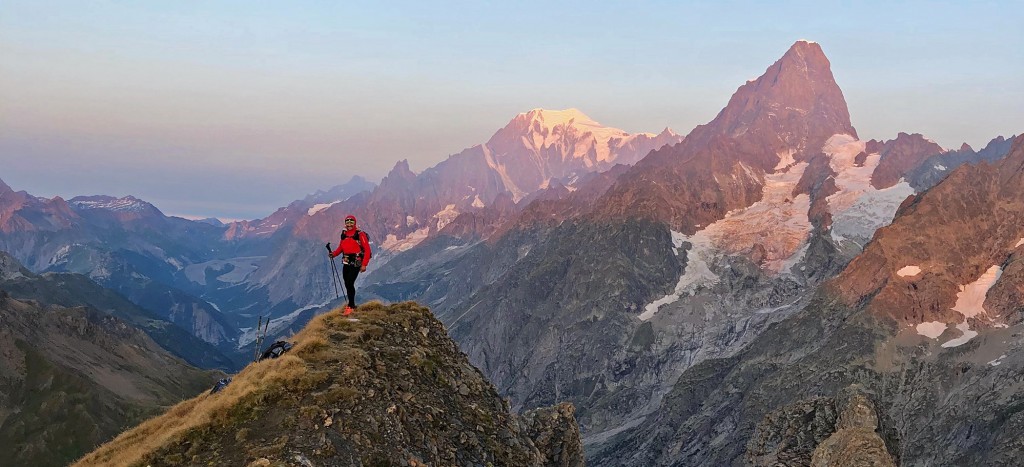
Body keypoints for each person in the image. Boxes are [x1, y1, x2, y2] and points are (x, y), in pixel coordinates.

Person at [328, 215, 372, 315]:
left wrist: (364, 264)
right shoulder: (344, 234)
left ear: (354, 223)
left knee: (349, 283)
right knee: (347, 283)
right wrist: (334, 254)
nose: (349, 224)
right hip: (346, 261)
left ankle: (351, 306)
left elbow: (367, 250)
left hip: (356, 262)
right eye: (347, 222)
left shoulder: (360, 234)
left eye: (351, 222)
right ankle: (350, 305)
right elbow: (341, 247)